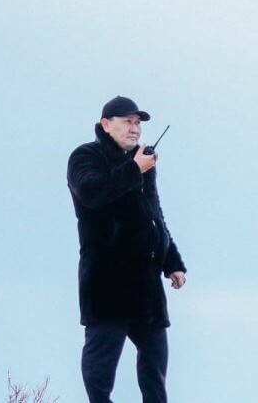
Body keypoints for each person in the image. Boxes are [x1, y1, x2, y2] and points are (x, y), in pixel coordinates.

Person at [66, 96, 187, 403]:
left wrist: (172, 261)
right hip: (107, 283)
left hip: (146, 285)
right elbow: (91, 193)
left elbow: (154, 215)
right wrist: (134, 169)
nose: (135, 129)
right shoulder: (85, 156)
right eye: (127, 122)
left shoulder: (143, 161)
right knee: (100, 370)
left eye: (137, 123)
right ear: (107, 124)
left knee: (155, 369)